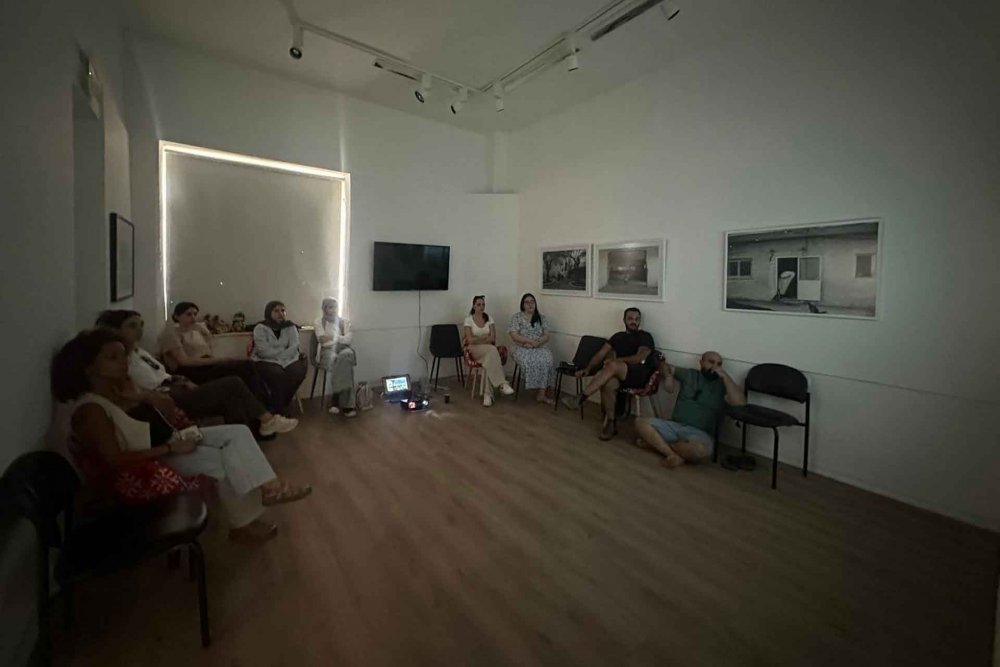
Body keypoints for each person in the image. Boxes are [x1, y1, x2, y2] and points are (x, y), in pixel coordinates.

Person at [51, 329, 312, 543]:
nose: (123, 363)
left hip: (166, 441)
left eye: (123, 356)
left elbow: (162, 407)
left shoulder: (116, 392)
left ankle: (270, 488)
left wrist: (142, 397)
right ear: (89, 368)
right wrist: (172, 448)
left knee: (239, 432)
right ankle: (244, 522)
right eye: (112, 358)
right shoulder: (91, 410)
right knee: (222, 459)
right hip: (151, 460)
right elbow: (116, 459)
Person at [95, 310, 298, 439]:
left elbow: (163, 372)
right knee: (234, 382)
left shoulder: (139, 351)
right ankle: (267, 419)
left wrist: (181, 379)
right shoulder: (122, 361)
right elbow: (177, 366)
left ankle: (249, 437)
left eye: (141, 325)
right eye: (132, 326)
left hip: (179, 382)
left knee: (238, 384)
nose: (139, 330)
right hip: (169, 395)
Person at [635, 351, 746, 468]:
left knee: (699, 451)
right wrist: (668, 376)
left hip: (700, 434)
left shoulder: (724, 384)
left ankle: (658, 445)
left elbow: (740, 403)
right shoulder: (690, 374)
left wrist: (725, 376)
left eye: (719, 364)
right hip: (675, 425)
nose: (714, 366)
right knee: (640, 422)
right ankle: (672, 454)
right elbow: (665, 366)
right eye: (711, 362)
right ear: (701, 362)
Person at [562, 307, 658, 440]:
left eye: (636, 319)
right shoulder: (618, 336)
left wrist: (617, 361)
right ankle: (611, 424)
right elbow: (601, 353)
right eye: (630, 319)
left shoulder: (644, 336)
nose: (633, 322)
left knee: (612, 365)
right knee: (608, 383)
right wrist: (588, 369)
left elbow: (640, 358)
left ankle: (580, 398)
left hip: (639, 374)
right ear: (624, 320)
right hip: (620, 375)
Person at [158, 301, 269, 401]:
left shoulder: (194, 331)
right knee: (244, 366)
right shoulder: (171, 334)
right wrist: (219, 360)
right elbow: (184, 361)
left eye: (195, 314)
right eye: (188, 314)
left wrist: (204, 331)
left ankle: (262, 404)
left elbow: (208, 349)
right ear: (177, 316)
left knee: (247, 365)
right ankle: (265, 405)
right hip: (190, 371)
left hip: (204, 365)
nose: (193, 318)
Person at [253, 301, 308, 415]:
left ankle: (279, 406)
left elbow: (294, 346)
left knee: (299, 370)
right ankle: (279, 409)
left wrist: (281, 355)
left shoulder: (290, 326)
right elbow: (263, 351)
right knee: (277, 374)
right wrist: (282, 353)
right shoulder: (260, 328)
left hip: (290, 359)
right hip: (266, 361)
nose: (280, 313)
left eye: (283, 310)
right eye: (276, 310)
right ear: (269, 312)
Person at [463, 295, 514, 407]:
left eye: (483, 304)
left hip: (488, 349)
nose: (481, 307)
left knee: (489, 359)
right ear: (474, 306)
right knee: (492, 350)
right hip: (474, 350)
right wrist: (484, 338)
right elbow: (470, 340)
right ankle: (502, 383)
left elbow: (492, 338)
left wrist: (481, 338)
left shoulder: (489, 318)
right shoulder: (468, 320)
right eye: (479, 304)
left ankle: (488, 395)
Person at [507, 293, 556, 405]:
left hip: (538, 346)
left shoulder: (541, 318)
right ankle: (534, 386)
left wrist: (535, 344)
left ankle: (541, 394)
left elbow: (547, 335)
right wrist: (528, 342)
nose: (530, 304)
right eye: (527, 302)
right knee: (530, 359)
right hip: (520, 347)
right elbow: (514, 335)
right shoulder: (517, 317)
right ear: (522, 305)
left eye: (532, 301)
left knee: (547, 358)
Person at [313, 297, 358, 418]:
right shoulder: (319, 321)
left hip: (343, 349)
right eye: (330, 307)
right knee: (342, 364)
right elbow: (322, 340)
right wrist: (340, 338)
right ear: (324, 308)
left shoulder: (345, 322)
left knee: (346, 356)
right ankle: (347, 405)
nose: (333, 310)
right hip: (326, 351)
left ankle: (336, 401)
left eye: (335, 307)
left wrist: (332, 337)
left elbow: (349, 340)